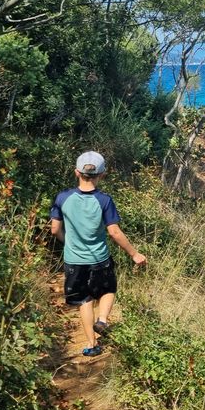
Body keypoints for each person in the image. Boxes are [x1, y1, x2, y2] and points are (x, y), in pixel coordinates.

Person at [50, 151, 146, 356]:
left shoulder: (62, 198)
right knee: (108, 290)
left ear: (77, 172)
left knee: (84, 300)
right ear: (102, 174)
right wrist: (134, 254)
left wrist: (69, 244)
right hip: (99, 259)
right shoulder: (104, 200)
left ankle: (91, 345)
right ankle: (102, 320)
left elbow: (55, 230)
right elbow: (114, 232)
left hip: (73, 261)